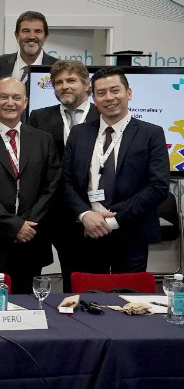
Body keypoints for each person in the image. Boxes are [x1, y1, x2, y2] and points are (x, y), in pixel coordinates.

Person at [62, 67, 170, 273]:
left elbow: (158, 186)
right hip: (86, 232)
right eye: (101, 93)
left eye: (115, 90)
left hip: (131, 232)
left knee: (129, 301)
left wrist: (113, 220)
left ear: (128, 93)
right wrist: (85, 214)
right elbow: (66, 182)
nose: (109, 98)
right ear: (93, 98)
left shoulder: (151, 133)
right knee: (88, 298)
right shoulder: (79, 134)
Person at [0, 78, 61, 293]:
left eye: (16, 97)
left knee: (28, 307)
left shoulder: (43, 140)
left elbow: (52, 185)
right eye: (4, 97)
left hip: (31, 239)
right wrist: (14, 225)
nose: (10, 102)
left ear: (25, 102)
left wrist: (29, 223)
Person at [26, 59, 98, 291]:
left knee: (84, 279)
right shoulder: (39, 118)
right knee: (33, 273)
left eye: (71, 80)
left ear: (87, 85)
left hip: (90, 213)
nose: (64, 86)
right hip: (50, 212)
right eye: (58, 82)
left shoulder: (102, 116)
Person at [0, 10, 58, 85]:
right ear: (16, 35)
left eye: (38, 31)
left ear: (45, 37)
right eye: (26, 31)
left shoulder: (58, 68)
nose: (32, 36)